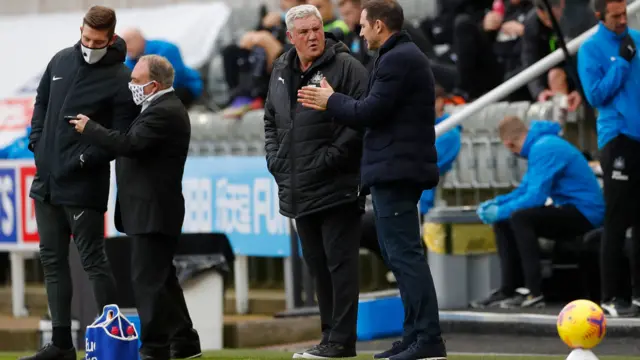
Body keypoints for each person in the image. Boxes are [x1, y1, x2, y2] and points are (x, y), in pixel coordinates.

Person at [297, 1, 447, 359]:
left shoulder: (398, 59)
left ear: (379, 25)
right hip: (393, 169)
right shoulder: (397, 57)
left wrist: (330, 100)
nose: (360, 32)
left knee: (405, 257)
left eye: (363, 26)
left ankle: (427, 339)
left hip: (396, 171)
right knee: (400, 257)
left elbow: (369, 112)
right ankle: (414, 337)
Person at [21, 6, 139, 360]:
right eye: (86, 38)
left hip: (84, 185)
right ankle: (61, 344)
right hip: (47, 182)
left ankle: (111, 340)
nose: (90, 45)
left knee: (92, 261)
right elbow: (41, 104)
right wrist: (37, 143)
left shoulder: (121, 76)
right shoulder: (60, 60)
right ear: (81, 30)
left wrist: (82, 160)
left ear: (111, 38)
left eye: (97, 41)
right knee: (52, 261)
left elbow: (120, 137)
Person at [69, 55, 201, 360]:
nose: (132, 86)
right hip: (151, 210)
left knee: (148, 282)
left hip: (153, 211)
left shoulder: (164, 111)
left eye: (136, 81)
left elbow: (131, 144)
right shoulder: (156, 107)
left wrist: (90, 129)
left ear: (154, 84)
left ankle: (154, 348)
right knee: (162, 279)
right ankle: (184, 340)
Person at [263, 4, 368, 359]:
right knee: (318, 267)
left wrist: (326, 161)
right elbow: (270, 120)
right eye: (304, 32)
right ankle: (329, 339)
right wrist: (275, 160)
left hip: (336, 185)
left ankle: (342, 342)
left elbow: (359, 122)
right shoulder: (280, 68)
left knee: (340, 267)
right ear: (290, 37)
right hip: (297, 187)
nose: (312, 36)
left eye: (316, 29)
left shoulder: (347, 67)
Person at [473, 117, 604, 309]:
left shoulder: (544, 148)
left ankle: (533, 291)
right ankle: (509, 289)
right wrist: (497, 203)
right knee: (505, 221)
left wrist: (500, 210)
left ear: (509, 144)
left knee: (520, 218)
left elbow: (535, 197)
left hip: (587, 212)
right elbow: (525, 189)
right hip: (571, 208)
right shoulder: (541, 145)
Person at [578, 0, 640, 317]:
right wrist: (622, 63)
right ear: (599, 16)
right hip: (617, 139)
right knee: (616, 220)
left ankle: (639, 295)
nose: (621, 20)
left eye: (624, 14)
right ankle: (611, 297)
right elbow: (596, 96)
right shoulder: (591, 49)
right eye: (615, 15)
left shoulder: (638, 39)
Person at [521, 0, 582, 111]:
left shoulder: (580, 15)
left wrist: (580, 90)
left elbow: (591, 57)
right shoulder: (532, 23)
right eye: (546, 20)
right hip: (548, 70)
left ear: (562, 4)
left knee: (556, 75)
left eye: (553, 18)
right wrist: (539, 91)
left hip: (578, 67)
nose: (550, 23)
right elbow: (529, 60)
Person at [122, 28, 203, 109]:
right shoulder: (130, 59)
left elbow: (173, 79)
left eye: (128, 41)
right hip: (152, 90)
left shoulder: (167, 49)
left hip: (183, 87)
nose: (126, 47)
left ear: (140, 39)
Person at [419, 86, 463, 217]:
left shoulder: (450, 133)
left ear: (440, 102)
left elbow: (425, 160)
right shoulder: (422, 125)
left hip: (425, 201)